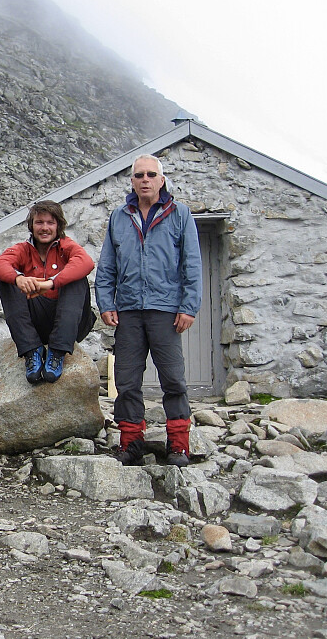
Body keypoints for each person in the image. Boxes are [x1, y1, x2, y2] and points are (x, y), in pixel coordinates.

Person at [94, 154, 202, 467]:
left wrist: (189, 307)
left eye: (151, 175)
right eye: (139, 175)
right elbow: (107, 265)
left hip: (166, 310)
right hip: (128, 311)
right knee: (127, 380)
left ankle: (178, 445)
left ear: (161, 180)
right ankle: (131, 444)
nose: (145, 180)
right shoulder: (119, 216)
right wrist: (106, 303)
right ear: (132, 181)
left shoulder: (180, 214)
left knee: (173, 379)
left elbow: (192, 264)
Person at [0, 200, 96, 384]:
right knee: (8, 281)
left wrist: (51, 283)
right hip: (37, 322)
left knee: (77, 279)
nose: (44, 228)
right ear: (32, 226)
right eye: (39, 222)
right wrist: (19, 279)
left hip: (71, 323)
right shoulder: (23, 249)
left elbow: (86, 262)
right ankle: (32, 351)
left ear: (58, 226)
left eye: (50, 223)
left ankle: (57, 352)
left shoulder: (67, 246)